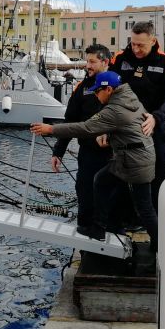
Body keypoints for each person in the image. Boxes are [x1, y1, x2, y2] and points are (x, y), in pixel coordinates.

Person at [30, 71, 157, 250]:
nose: (96, 95)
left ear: (109, 89)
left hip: (134, 161)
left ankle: (159, 247)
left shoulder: (114, 109)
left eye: (98, 91)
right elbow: (125, 126)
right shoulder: (129, 96)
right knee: (102, 181)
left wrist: (51, 129)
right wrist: (108, 133)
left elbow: (86, 128)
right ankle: (101, 227)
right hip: (135, 157)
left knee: (144, 207)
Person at [109, 21, 165, 210]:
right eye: (133, 43)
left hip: (153, 125)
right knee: (120, 174)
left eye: (141, 45)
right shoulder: (119, 59)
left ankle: (155, 219)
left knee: (158, 173)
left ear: (153, 40)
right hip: (124, 128)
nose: (136, 49)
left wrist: (157, 117)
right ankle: (123, 219)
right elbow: (106, 92)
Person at [50, 44, 113, 230]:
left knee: (109, 196)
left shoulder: (119, 86)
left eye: (92, 62)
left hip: (113, 155)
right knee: (84, 192)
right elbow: (70, 121)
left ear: (105, 62)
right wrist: (58, 152)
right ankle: (85, 236)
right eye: (87, 61)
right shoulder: (82, 87)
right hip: (88, 153)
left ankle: (109, 236)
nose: (88, 66)